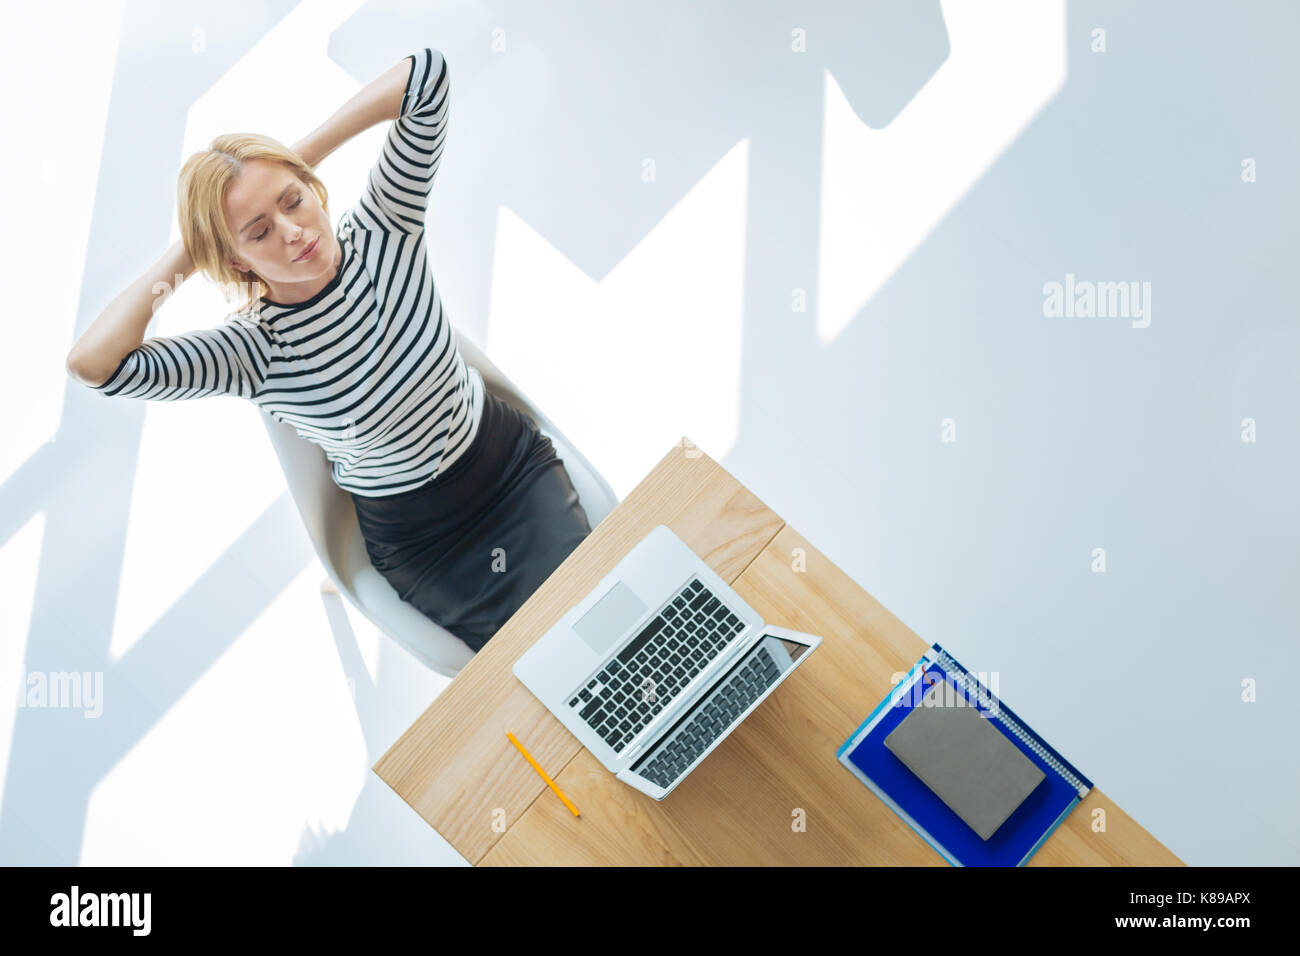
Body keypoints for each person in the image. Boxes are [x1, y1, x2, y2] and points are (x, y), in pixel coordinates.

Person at [66, 47, 592, 653]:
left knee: (593, 615)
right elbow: (94, 366)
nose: (292, 232)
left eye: (294, 201)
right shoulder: (251, 351)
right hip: (427, 544)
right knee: (537, 662)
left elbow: (426, 76)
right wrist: (189, 252)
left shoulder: (383, 230)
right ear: (235, 261)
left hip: (510, 470)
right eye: (259, 232)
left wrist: (288, 163)